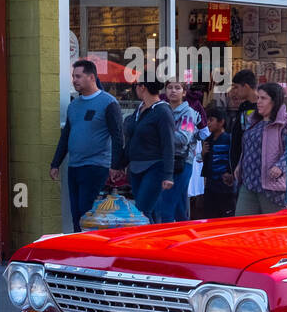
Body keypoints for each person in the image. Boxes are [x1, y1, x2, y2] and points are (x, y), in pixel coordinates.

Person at [50, 60, 125, 232]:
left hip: (96, 165)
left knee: (87, 213)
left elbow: (118, 136)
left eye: (78, 76)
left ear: (91, 77)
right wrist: (55, 163)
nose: (74, 80)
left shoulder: (108, 102)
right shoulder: (74, 105)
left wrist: (115, 166)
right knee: (76, 214)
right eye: (73, 76)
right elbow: (66, 136)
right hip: (74, 165)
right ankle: (79, 253)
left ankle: (91, 254)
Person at [114, 81, 174, 222]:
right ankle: (155, 242)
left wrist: (168, 174)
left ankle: (145, 243)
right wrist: (120, 165)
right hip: (135, 167)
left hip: (155, 167)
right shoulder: (140, 109)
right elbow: (131, 140)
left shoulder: (162, 111)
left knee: (141, 211)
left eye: (136, 86)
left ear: (142, 87)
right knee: (146, 212)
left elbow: (168, 143)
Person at [234, 82, 287, 216]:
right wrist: (240, 165)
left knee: (272, 228)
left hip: (271, 186)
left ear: (274, 101)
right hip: (249, 182)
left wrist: (280, 166)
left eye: (263, 98)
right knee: (242, 223)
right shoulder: (254, 122)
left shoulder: (286, 123)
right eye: (258, 98)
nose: (258, 102)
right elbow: (248, 147)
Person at [161, 80, 203, 222]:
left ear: (184, 92)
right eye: (170, 88)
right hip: (167, 161)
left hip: (182, 163)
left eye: (177, 88)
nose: (173, 91)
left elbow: (183, 138)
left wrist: (160, 134)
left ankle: (166, 240)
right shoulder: (163, 109)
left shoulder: (188, 113)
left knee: (166, 206)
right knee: (179, 208)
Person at [199, 104, 236, 218]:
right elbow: (205, 161)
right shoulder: (208, 140)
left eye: (211, 120)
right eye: (207, 120)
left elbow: (233, 159)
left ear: (221, 122)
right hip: (211, 186)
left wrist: (231, 174)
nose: (208, 123)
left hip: (225, 187)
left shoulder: (229, 139)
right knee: (209, 215)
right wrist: (203, 153)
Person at [227, 69, 258, 173]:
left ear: (246, 86)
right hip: (239, 167)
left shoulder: (261, 109)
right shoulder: (243, 107)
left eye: (236, 87)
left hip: (253, 167)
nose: (234, 91)